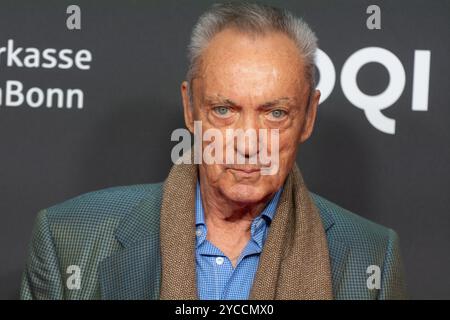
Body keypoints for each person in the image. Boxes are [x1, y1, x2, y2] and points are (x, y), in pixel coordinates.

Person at [20, 2, 407, 300]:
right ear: (190, 109)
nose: (248, 141)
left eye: (275, 113)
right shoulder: (68, 238)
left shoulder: (371, 256)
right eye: (224, 110)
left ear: (308, 118)